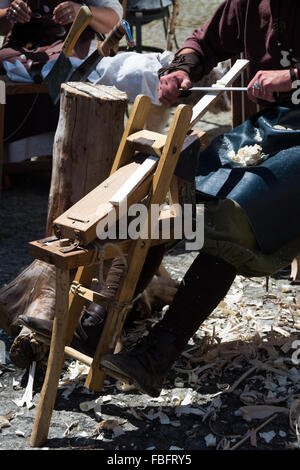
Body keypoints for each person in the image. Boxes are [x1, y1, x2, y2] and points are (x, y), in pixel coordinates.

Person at [99, 0, 300, 397]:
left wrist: (291, 77)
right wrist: (181, 70)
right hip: (270, 129)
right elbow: (202, 42)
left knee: (234, 212)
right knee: (178, 191)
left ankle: (161, 350)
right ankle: (98, 321)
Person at [0, 0, 122, 143]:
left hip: (73, 46)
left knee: (62, 69)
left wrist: (81, 11)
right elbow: (2, 26)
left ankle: (62, 148)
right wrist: (10, 14)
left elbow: (114, 21)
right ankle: (10, 155)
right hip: (20, 48)